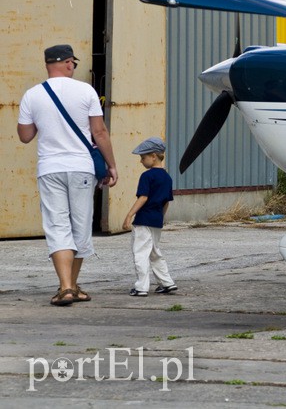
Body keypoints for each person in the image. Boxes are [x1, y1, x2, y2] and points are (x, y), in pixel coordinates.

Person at [17, 44, 118, 306]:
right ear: (69, 63)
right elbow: (100, 133)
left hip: (50, 169)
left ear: (48, 64)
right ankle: (71, 286)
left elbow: (25, 136)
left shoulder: (32, 94)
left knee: (57, 226)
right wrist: (111, 165)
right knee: (80, 226)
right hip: (82, 168)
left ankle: (65, 288)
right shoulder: (86, 91)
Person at [122, 137, 177, 297]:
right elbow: (167, 202)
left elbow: (143, 197)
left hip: (143, 220)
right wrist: (160, 217)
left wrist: (129, 215)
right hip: (156, 220)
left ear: (153, 156)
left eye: (143, 157)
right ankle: (167, 283)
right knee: (154, 252)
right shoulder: (167, 177)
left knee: (140, 253)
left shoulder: (147, 176)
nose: (141, 161)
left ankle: (141, 287)